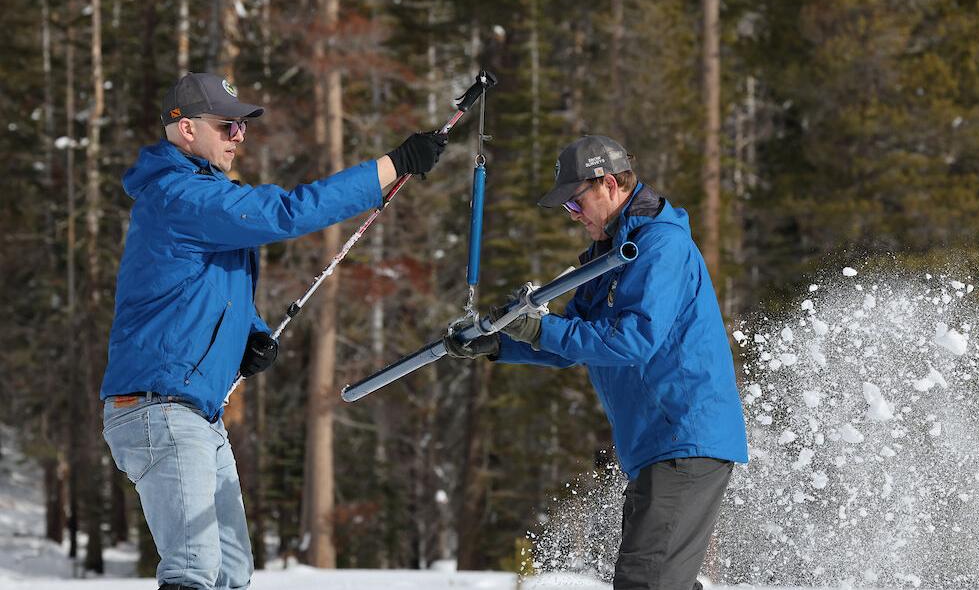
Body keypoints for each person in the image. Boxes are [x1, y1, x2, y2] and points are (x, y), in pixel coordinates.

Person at [99, 72, 446, 590]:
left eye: (242, 126)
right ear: (186, 129)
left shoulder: (199, 196)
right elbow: (286, 213)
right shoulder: (178, 196)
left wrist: (250, 332)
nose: (238, 136)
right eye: (227, 126)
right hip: (159, 409)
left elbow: (208, 287)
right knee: (193, 569)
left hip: (195, 412)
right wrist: (390, 167)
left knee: (231, 572)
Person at [445, 135, 748, 590]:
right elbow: (573, 342)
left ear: (609, 183)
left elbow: (633, 341)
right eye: (568, 208)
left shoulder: (661, 247)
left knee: (644, 582)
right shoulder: (607, 258)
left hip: (685, 436)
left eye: (576, 202)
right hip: (655, 444)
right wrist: (497, 345)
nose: (574, 216)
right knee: (656, 580)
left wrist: (540, 329)